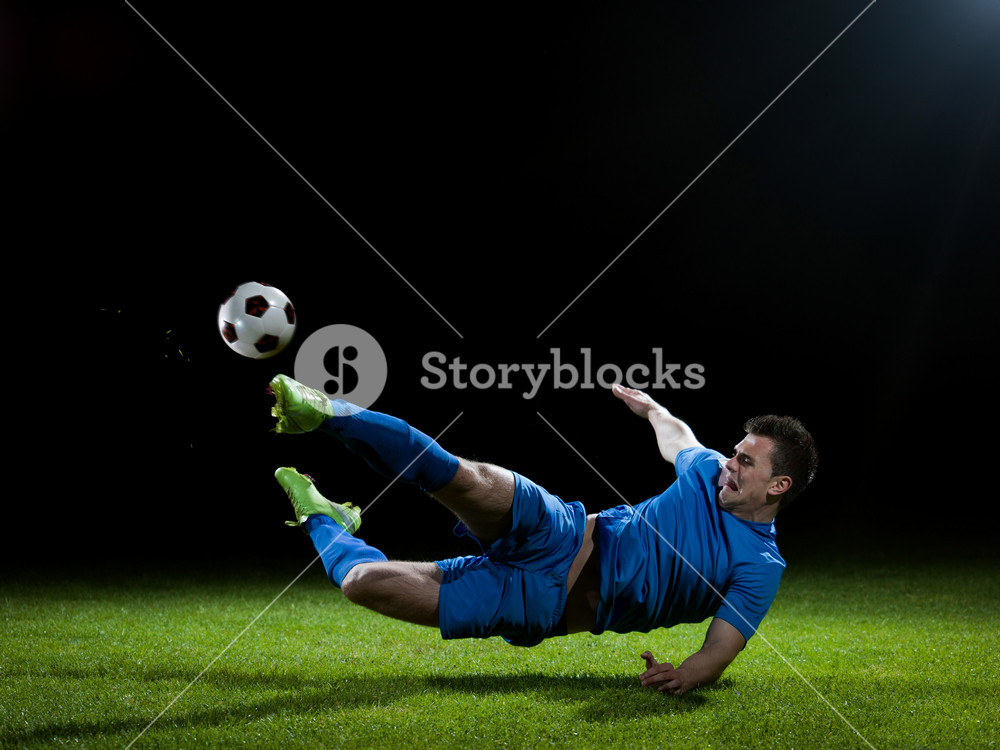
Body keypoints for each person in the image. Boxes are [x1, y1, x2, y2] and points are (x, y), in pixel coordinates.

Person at [267, 374, 818, 696]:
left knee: (361, 583)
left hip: (539, 602)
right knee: (465, 477)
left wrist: (685, 676)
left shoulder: (759, 566)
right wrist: (653, 409)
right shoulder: (707, 471)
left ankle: (326, 520)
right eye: (735, 452)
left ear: (779, 486)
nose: (729, 464)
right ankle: (327, 411)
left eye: (745, 462)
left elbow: (720, 649)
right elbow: (680, 438)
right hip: (561, 530)